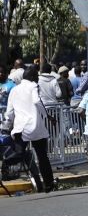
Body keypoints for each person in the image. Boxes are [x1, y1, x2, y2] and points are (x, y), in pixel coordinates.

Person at [5, 64, 55, 193]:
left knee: (19, 153)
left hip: (20, 128)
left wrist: (7, 123)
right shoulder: (33, 86)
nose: (38, 79)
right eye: (37, 76)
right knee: (42, 156)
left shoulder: (14, 90)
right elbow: (37, 101)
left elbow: (9, 111)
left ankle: (6, 164)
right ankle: (49, 183)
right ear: (32, 77)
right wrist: (46, 116)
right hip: (35, 127)